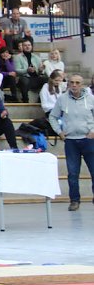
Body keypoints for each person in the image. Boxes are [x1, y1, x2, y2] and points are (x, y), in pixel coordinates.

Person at [49, 75, 94, 211]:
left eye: (77, 83)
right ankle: (74, 200)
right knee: (73, 173)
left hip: (89, 140)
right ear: (68, 84)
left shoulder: (91, 98)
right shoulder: (62, 99)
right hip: (71, 142)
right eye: (71, 82)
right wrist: (59, 132)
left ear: (82, 84)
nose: (74, 85)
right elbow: (53, 116)